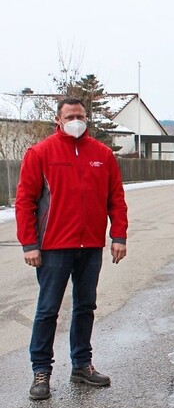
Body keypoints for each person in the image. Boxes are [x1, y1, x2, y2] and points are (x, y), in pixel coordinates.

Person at [16, 97, 128, 400]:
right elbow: (25, 202)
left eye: (80, 115)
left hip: (90, 246)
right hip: (53, 248)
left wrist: (119, 236)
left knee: (85, 307)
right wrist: (30, 244)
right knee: (47, 310)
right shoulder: (40, 153)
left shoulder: (103, 155)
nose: (76, 120)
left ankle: (81, 364)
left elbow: (116, 199)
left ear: (86, 119)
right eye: (70, 116)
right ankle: (41, 371)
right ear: (59, 120)